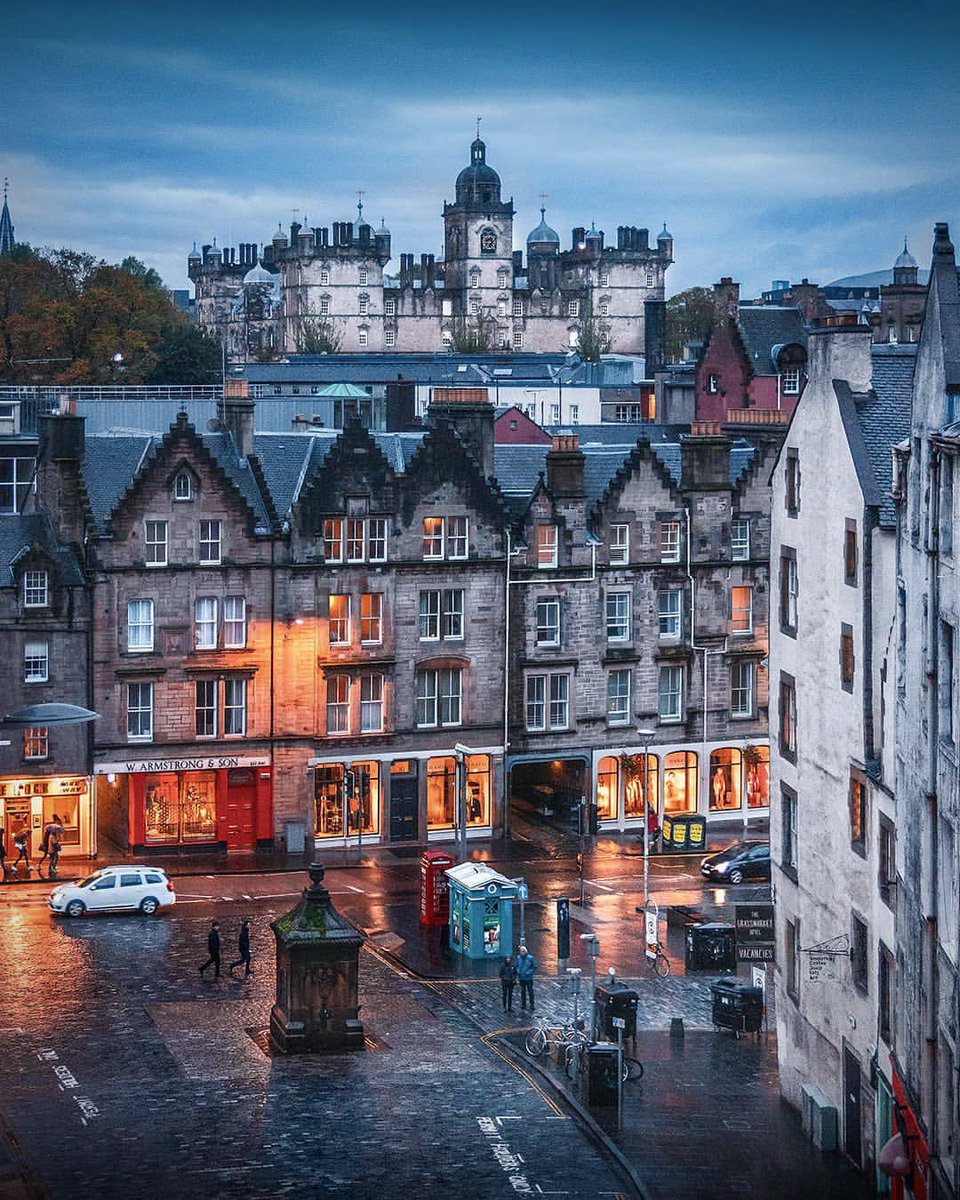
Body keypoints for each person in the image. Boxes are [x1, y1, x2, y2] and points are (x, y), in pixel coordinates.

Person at [516, 946, 537, 1011]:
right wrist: (518, 971)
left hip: (528, 978)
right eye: (521, 951)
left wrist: (528, 972)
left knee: (530, 991)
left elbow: (534, 967)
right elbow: (517, 966)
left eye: (523, 951)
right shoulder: (518, 958)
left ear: (526, 951)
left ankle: (532, 1004)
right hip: (521, 978)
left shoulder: (530, 958)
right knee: (523, 991)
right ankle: (523, 1004)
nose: (522, 953)